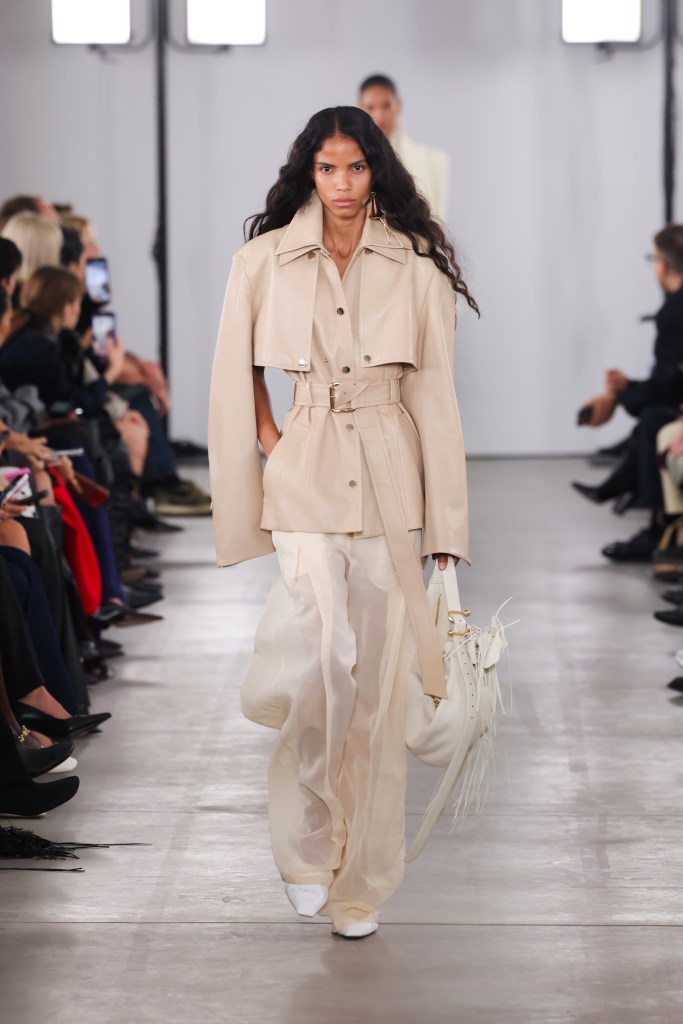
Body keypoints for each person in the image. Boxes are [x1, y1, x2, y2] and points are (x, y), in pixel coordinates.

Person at [209, 106, 475, 939]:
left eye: (356, 168)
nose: (343, 185)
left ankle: (359, 882)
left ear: (377, 172)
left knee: (373, 691)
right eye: (328, 169)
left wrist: (446, 532)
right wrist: (269, 440)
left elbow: (435, 398)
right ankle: (309, 845)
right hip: (306, 473)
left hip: (391, 477)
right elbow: (233, 372)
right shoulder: (262, 260)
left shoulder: (415, 263)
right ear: (307, 172)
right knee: (326, 659)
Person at [573, 225, 683, 561]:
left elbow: (669, 386)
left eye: (652, 259)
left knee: (652, 421)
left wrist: (623, 396)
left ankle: (657, 529)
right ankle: (640, 507)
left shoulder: (674, 312)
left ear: (662, 264)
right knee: (652, 421)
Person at [358, 74, 449, 221]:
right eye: (370, 107)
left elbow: (436, 221)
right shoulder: (350, 157)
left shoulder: (431, 160)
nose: (379, 115)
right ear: (360, 108)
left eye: (386, 106)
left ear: (398, 106)